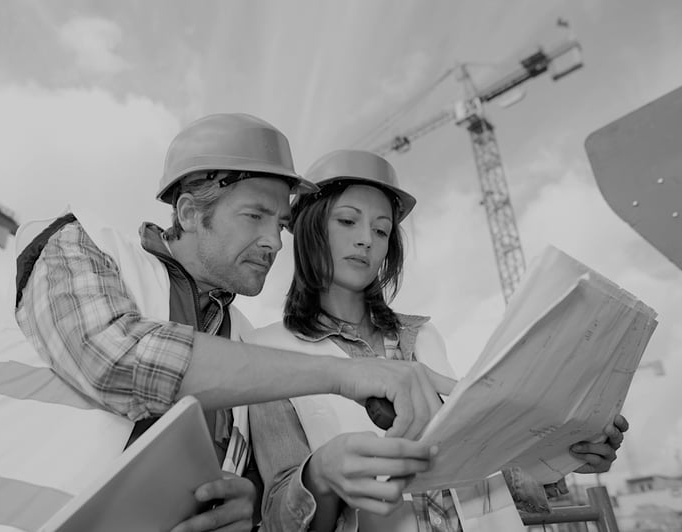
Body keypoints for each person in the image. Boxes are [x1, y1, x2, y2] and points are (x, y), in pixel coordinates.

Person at [0, 115, 454, 532]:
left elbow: (255, 499)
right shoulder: (81, 245)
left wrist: (242, 508)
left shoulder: (246, 344)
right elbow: (118, 360)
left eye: (281, 224)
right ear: (189, 210)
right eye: (255, 216)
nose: (274, 242)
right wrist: (349, 375)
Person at [245, 149, 628, 531]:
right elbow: (280, 510)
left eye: (381, 230)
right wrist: (322, 475)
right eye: (347, 221)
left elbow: (482, 461)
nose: (366, 240)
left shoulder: (425, 336)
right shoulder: (268, 353)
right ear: (310, 230)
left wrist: (567, 453)